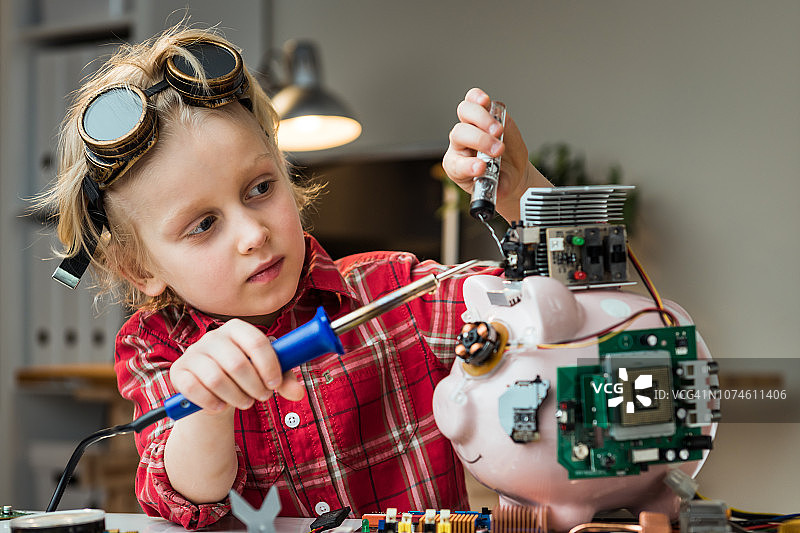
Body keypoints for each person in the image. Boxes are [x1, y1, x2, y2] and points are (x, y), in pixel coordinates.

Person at [41, 25, 551, 529]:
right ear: (140, 268)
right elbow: (185, 500)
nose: (252, 234)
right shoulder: (154, 348)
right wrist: (207, 407)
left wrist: (522, 193)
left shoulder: (396, 291)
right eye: (203, 225)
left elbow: (557, 312)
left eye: (260, 188)